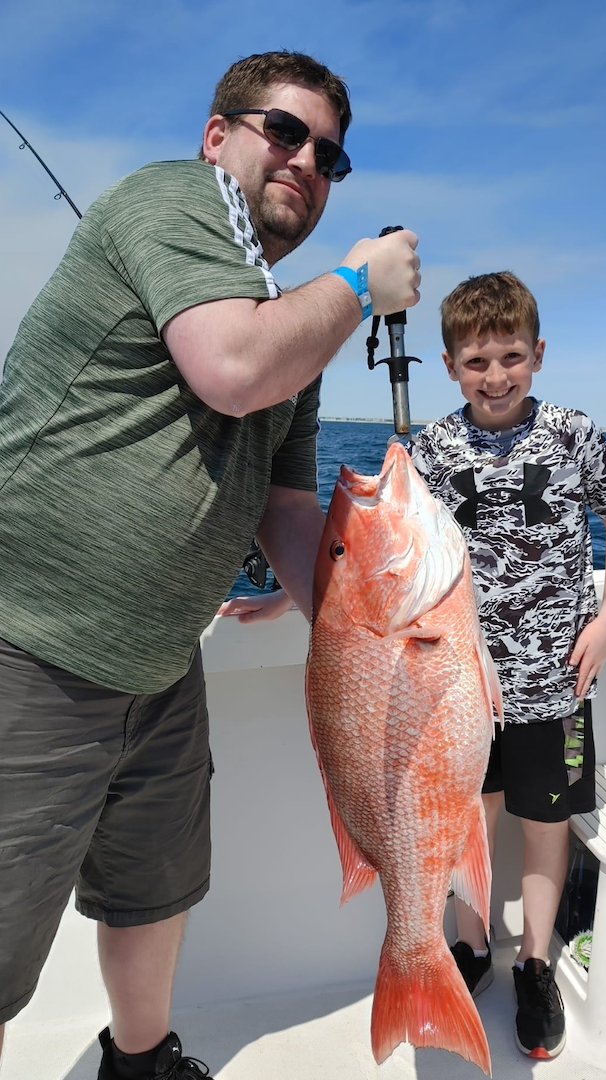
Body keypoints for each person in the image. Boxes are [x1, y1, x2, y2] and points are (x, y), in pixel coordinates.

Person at [0, 50, 420, 1079]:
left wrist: (372, 624)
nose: (306, 162)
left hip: (160, 661)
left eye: (328, 153)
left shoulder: (292, 323)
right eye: (283, 131)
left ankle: (139, 1060)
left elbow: (284, 509)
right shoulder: (170, 198)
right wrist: (361, 282)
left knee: (157, 888)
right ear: (215, 135)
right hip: (29, 649)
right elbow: (230, 370)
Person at [408, 271, 606, 1060]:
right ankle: (473, 945)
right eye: (476, 361)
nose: (495, 375)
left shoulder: (574, 433)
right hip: (460, 687)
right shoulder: (431, 450)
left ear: (538, 354)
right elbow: (393, 555)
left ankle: (534, 960)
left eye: (511, 356)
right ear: (448, 367)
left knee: (544, 821)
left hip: (555, 680)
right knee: (471, 815)